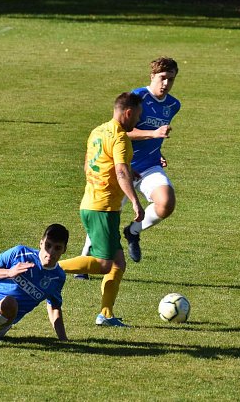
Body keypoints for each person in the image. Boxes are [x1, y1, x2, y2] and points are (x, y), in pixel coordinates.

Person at [76, 57, 180, 269]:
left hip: (149, 165)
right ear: (152, 76)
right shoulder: (137, 97)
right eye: (162, 78)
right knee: (105, 215)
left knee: (166, 202)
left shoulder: (173, 105)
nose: (166, 84)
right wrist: (153, 134)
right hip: (122, 166)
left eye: (171, 79)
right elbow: (119, 132)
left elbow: (157, 135)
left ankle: (133, 232)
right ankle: (85, 259)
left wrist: (157, 149)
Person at [59, 92, 144, 327]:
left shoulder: (98, 130)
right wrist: (136, 202)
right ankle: (47, 266)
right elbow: (120, 172)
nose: (137, 121)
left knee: (118, 264)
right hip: (103, 208)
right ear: (127, 113)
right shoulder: (120, 137)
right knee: (105, 264)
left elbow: (89, 163)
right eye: (137, 116)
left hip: (92, 202)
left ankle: (105, 315)